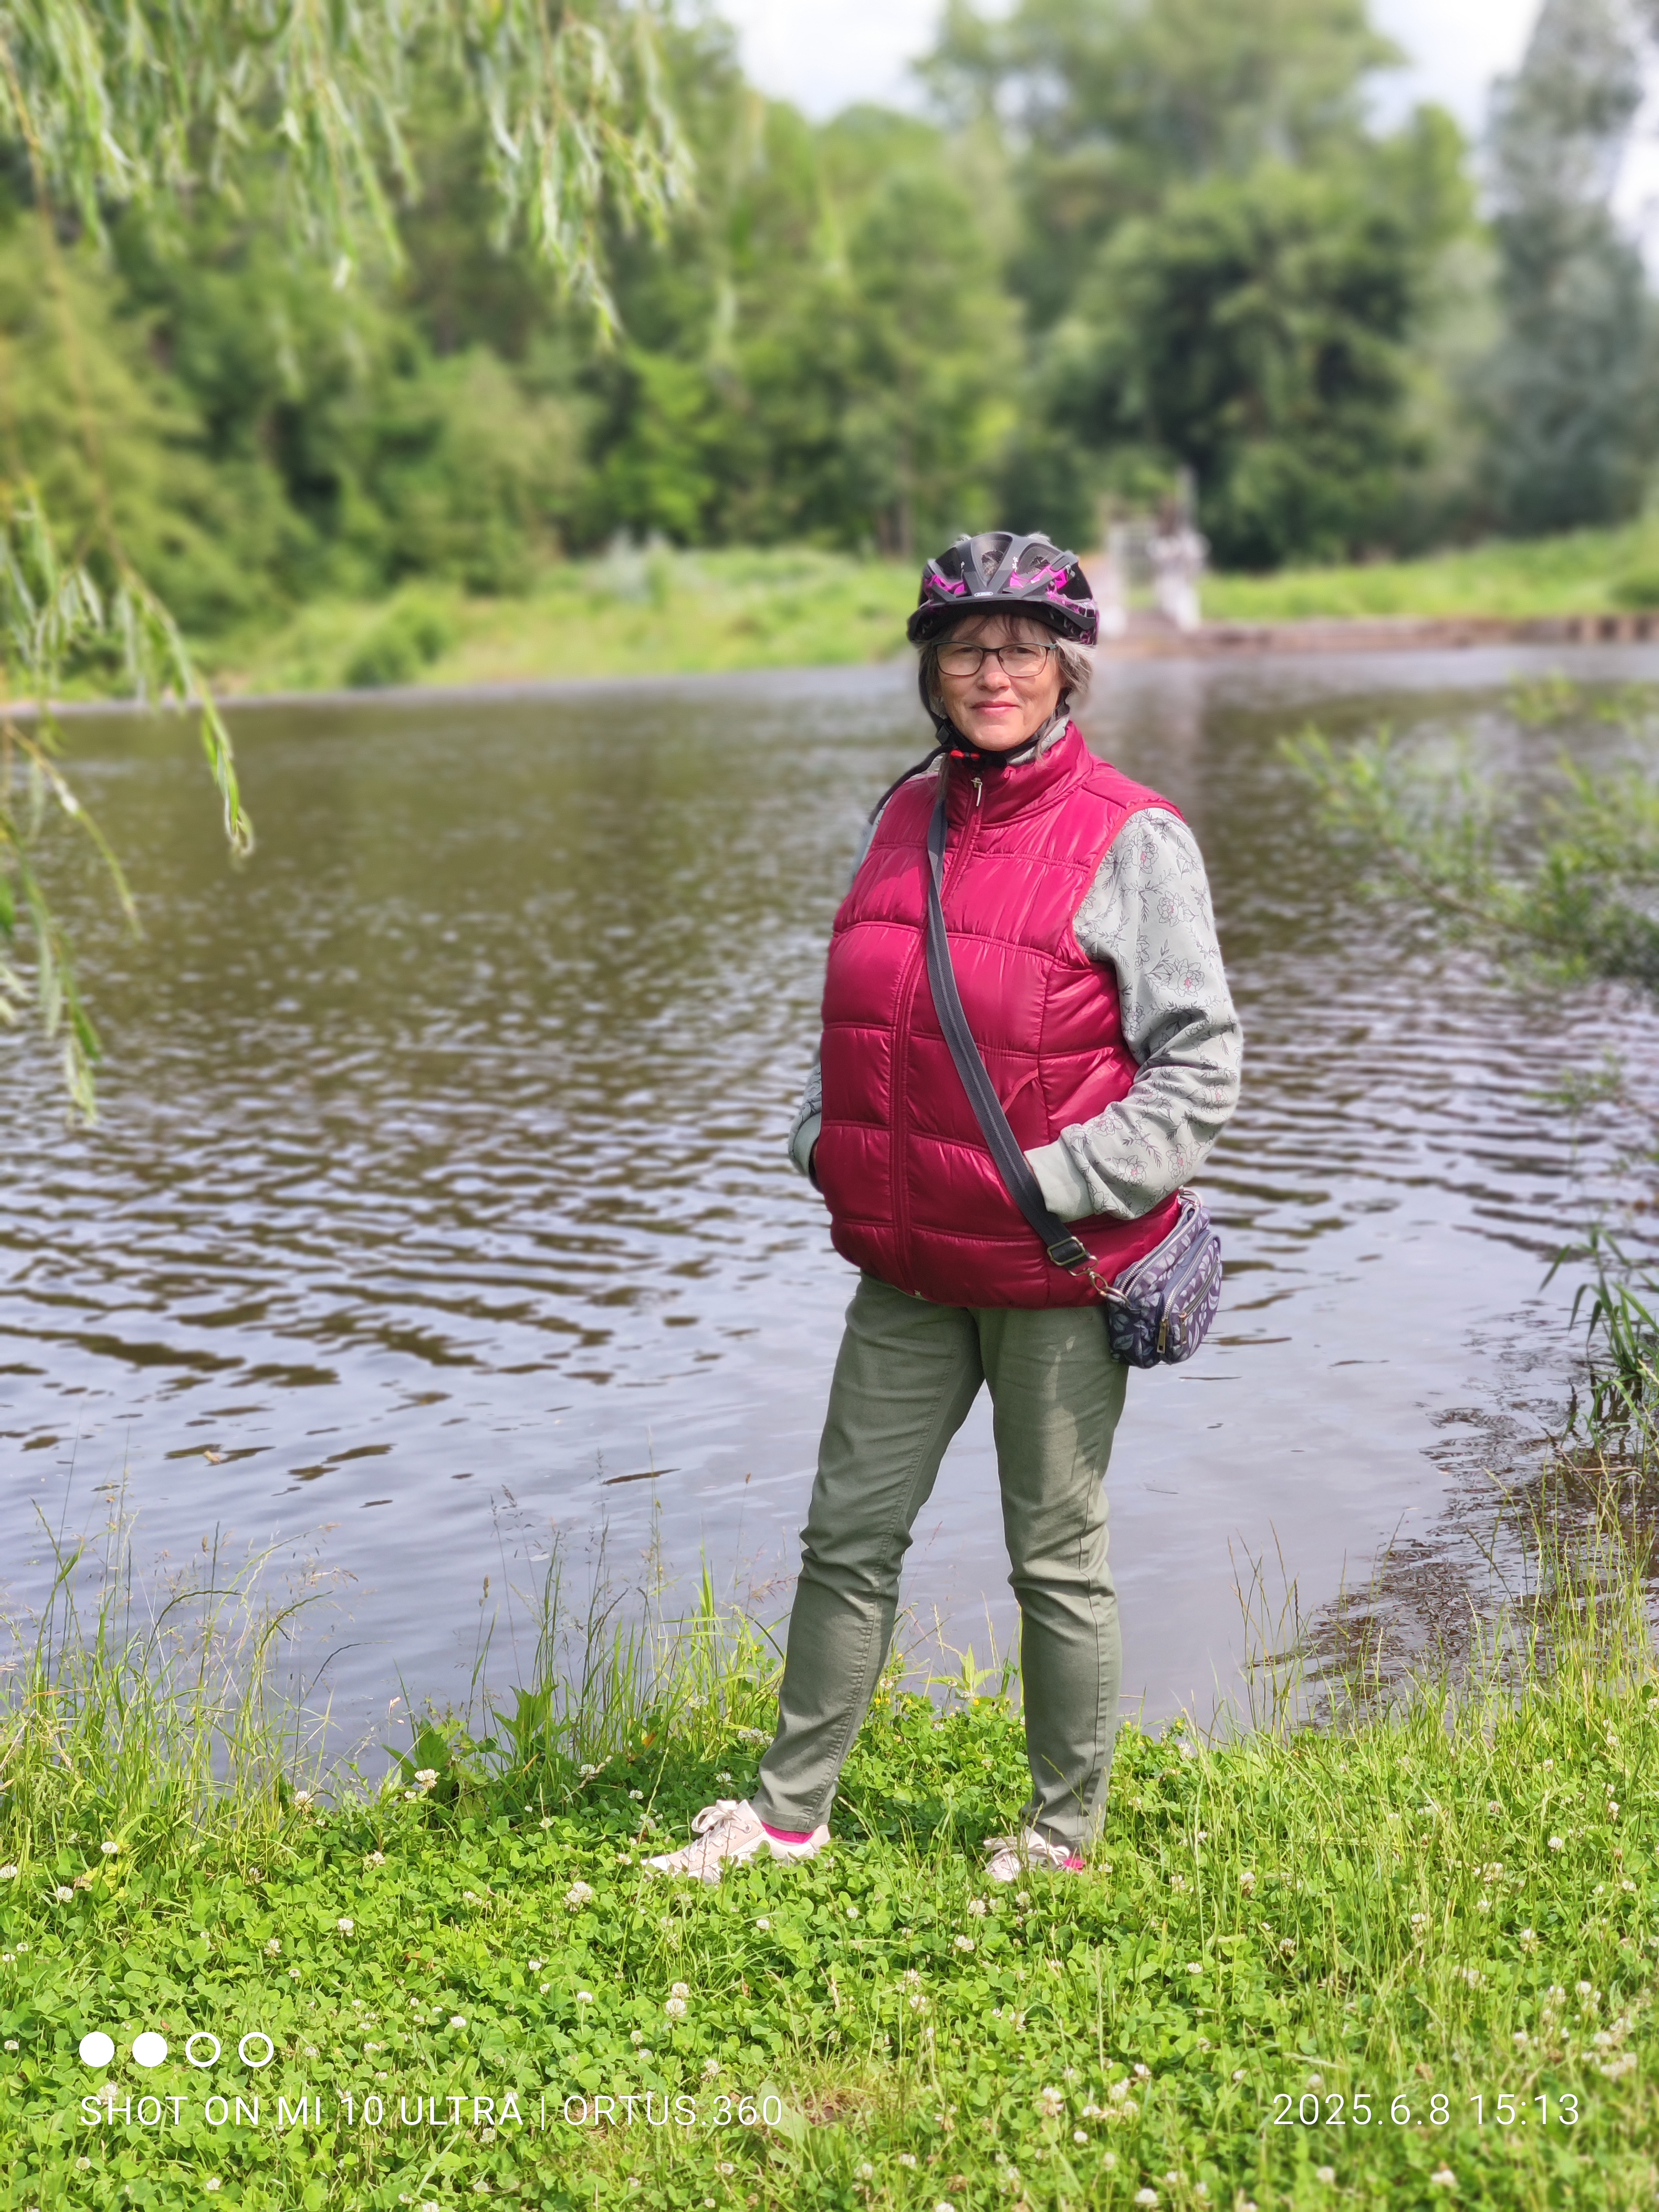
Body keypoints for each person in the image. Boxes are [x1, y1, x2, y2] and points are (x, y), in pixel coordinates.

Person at [647, 530, 1242, 1886]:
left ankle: (1061, 1835)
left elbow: (1199, 1063)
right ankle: (790, 1817)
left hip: (1051, 1265)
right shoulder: (901, 815)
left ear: (1068, 671)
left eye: (1024, 646)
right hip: (908, 1262)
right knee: (846, 1535)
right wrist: (823, 1139)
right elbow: (862, 1001)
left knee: (1055, 1561)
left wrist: (1059, 1181)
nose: (994, 670)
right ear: (932, 668)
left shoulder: (1133, 836)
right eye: (967, 645)